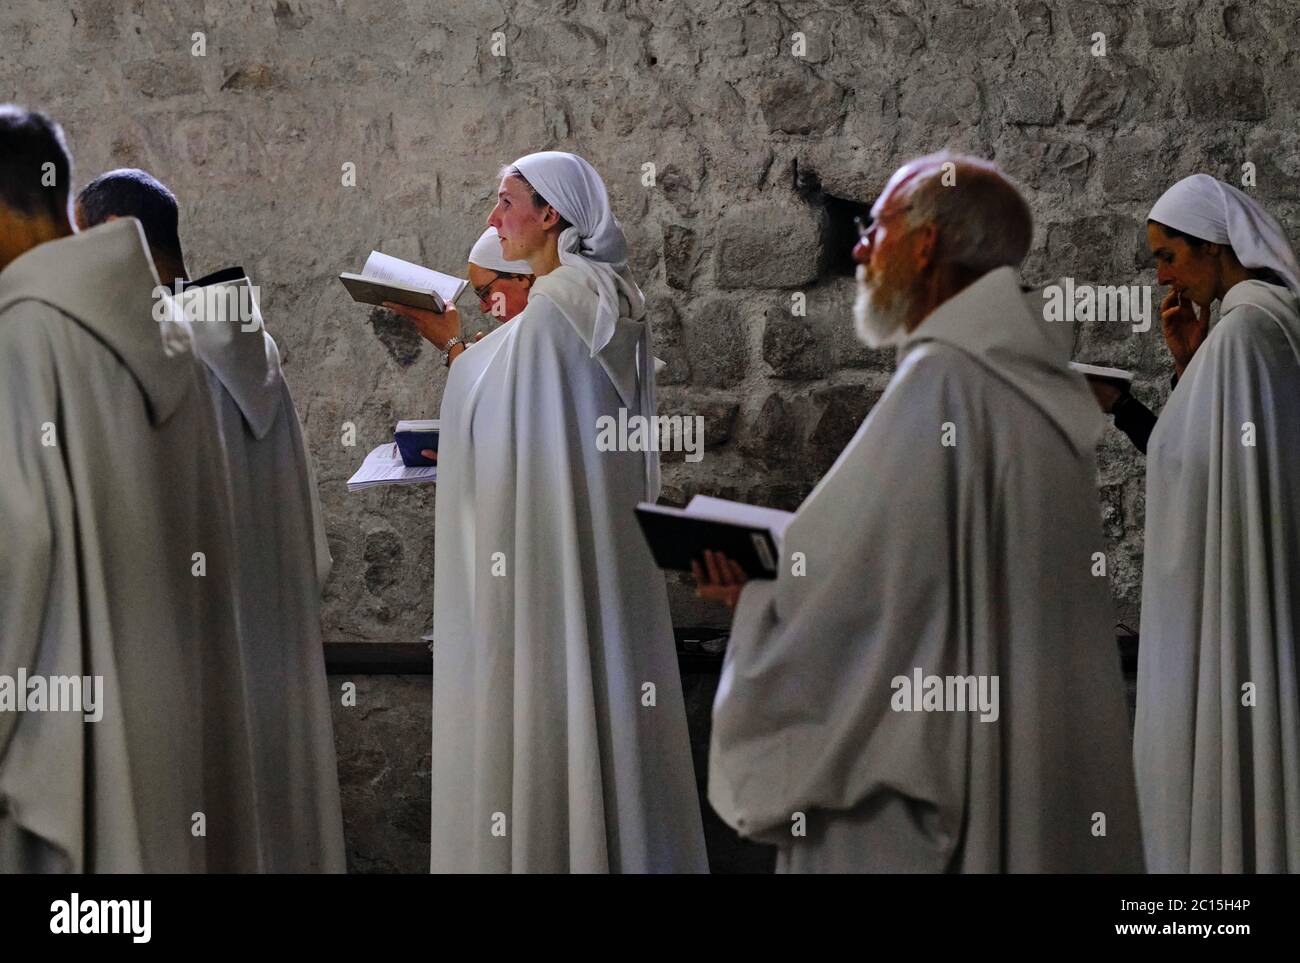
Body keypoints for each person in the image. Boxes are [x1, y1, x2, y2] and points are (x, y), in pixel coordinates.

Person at [695, 152, 1144, 873]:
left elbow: (857, 606)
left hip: (921, 805)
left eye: (876, 228)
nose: (862, 249)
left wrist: (756, 596)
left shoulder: (944, 383)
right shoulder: (1035, 392)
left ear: (927, 244)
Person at [387, 151, 708, 873]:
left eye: (506, 202)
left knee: (546, 716)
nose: (494, 218)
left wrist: (450, 344)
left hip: (545, 571)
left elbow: (495, 409)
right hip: (604, 559)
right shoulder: (607, 299)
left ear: (551, 214)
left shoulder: (556, 313)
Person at [0, 106, 260, 871]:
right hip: (163, 741)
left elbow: (17, 555)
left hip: (63, 752)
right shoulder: (170, 334)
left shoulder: (24, 337)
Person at [74, 168, 346, 873]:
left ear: (118, 240)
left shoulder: (153, 354)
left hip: (189, 658)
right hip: (270, 655)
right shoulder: (256, 355)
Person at [1135, 173, 1300, 873]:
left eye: (1168, 256)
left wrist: (1126, 405)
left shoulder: (1243, 335)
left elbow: (1187, 464)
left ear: (1213, 247)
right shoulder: (1271, 321)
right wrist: (1186, 362)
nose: (1165, 276)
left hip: (1239, 589)